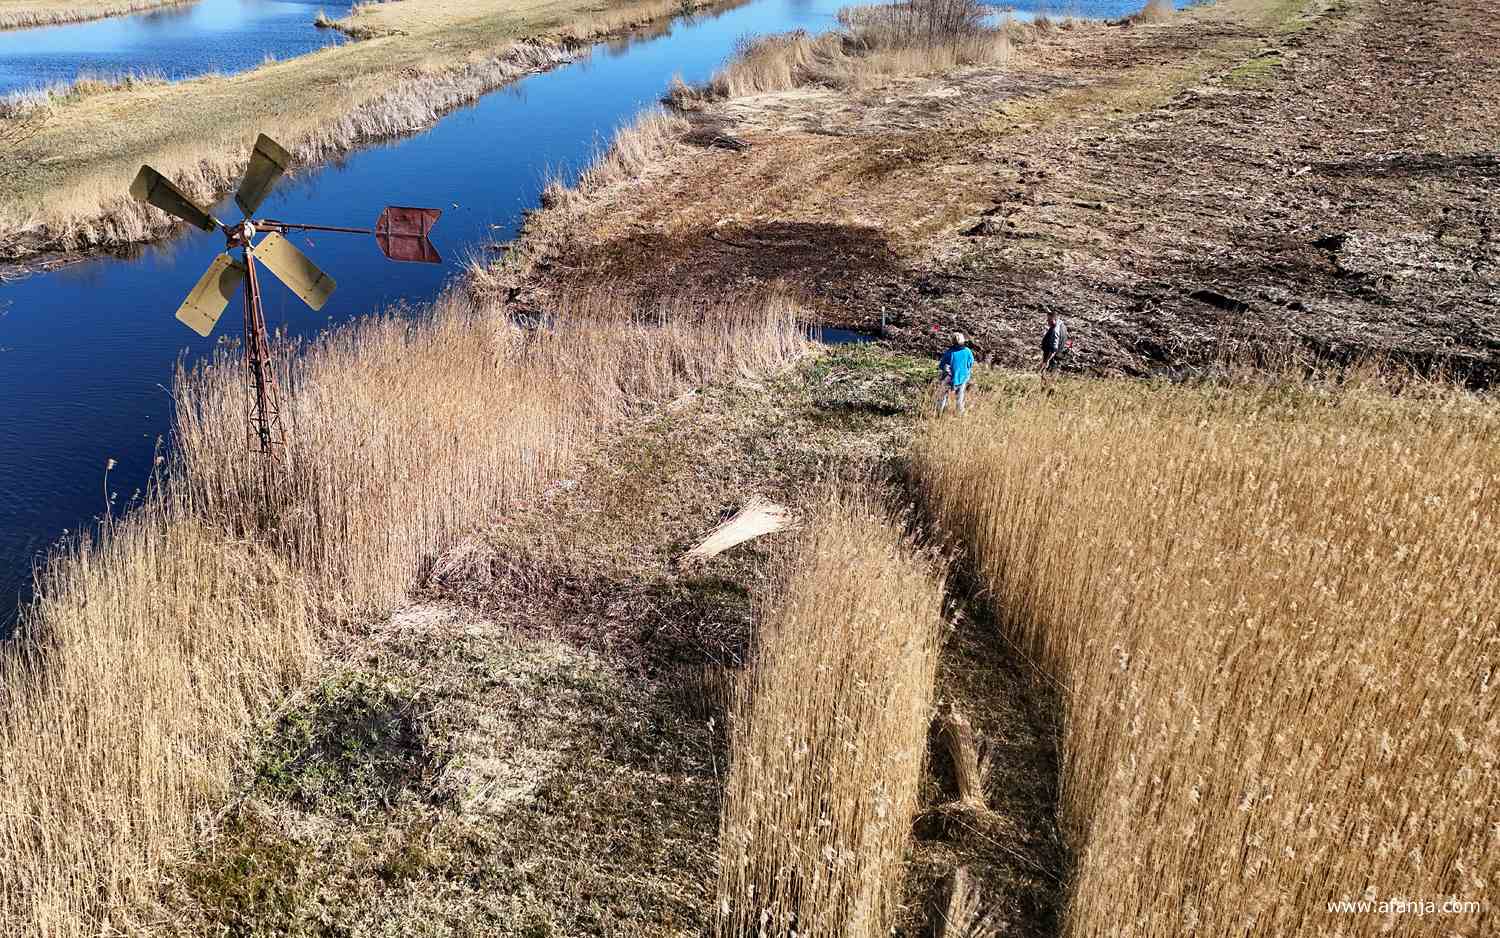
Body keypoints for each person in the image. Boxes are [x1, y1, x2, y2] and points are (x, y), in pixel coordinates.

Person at [937, 332, 975, 414]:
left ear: (952, 341)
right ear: (963, 340)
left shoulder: (949, 352)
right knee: (959, 398)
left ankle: (939, 413)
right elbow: (971, 363)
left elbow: (941, 365)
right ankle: (960, 414)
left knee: (943, 397)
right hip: (962, 377)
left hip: (949, 378)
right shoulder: (968, 351)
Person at [1040, 311, 1069, 377]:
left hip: (1051, 359)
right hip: (1057, 357)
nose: (1047, 321)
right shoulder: (1062, 325)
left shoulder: (1055, 331)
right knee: (1052, 377)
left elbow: (1053, 349)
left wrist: (1046, 361)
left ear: (1055, 319)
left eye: (1049, 319)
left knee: (1046, 377)